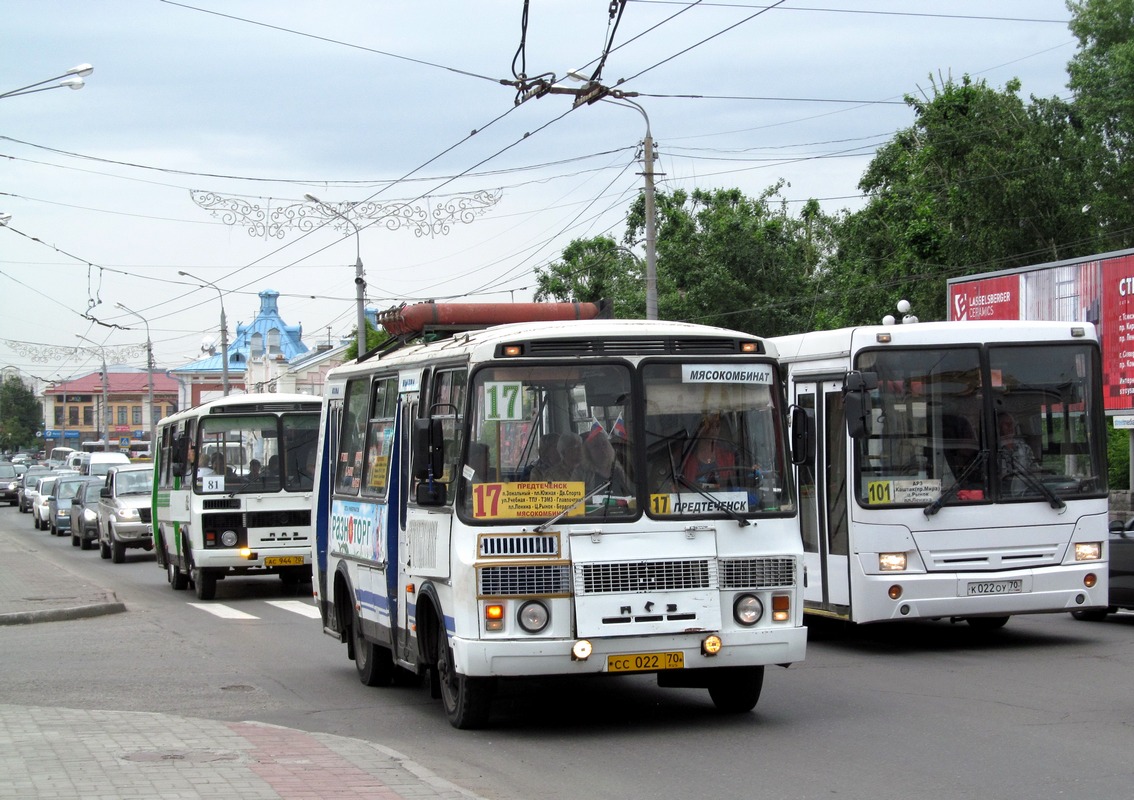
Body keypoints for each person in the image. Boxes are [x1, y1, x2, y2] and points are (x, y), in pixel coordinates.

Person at [683, 412, 737, 487]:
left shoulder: (729, 458)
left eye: (717, 425)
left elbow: (736, 486)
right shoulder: (685, 461)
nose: (714, 429)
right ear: (699, 428)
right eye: (709, 425)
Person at [997, 411, 1038, 493]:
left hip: (1024, 493)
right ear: (999, 427)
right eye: (1007, 424)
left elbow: (1034, 470)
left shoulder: (1024, 448)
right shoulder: (994, 450)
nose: (1011, 427)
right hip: (1001, 495)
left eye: (1012, 424)